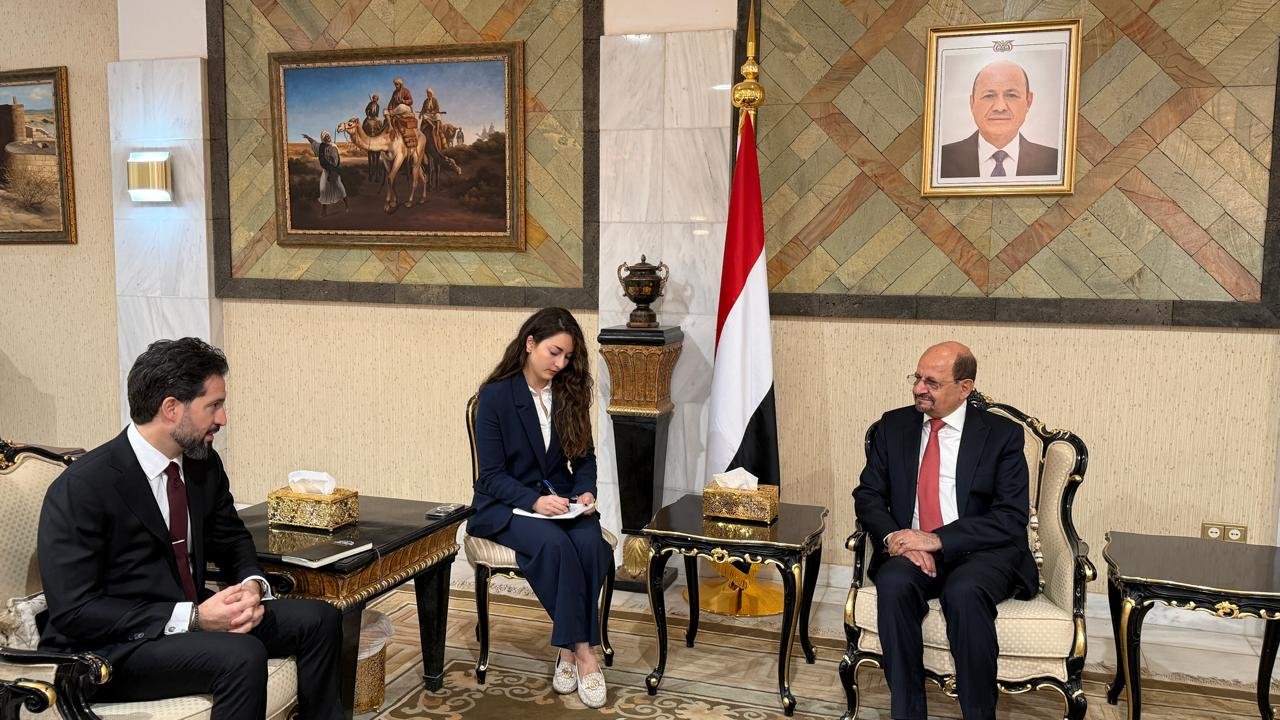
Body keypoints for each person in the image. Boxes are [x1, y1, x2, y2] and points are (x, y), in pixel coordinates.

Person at [37, 338, 344, 719]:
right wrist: (194, 618)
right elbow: (75, 610)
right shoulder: (83, 487)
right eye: (213, 405)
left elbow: (231, 538)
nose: (223, 418)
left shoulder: (201, 464)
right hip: (108, 650)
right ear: (171, 408)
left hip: (191, 620)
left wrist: (251, 585)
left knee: (320, 620)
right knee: (242, 655)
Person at [852, 341, 1037, 720]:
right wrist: (897, 539)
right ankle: (907, 713)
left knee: (964, 592)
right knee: (894, 582)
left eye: (932, 383)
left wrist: (937, 539)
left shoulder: (1002, 435)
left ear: (964, 387)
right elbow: (868, 495)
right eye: (917, 378)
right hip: (912, 549)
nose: (919, 388)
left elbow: (1009, 516)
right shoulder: (894, 426)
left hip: (981, 553)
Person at [467, 307, 610, 709]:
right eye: (554, 352)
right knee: (556, 546)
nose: (560, 364)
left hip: (561, 500)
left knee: (592, 545)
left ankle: (564, 650)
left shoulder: (568, 392)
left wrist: (584, 492)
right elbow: (490, 476)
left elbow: (584, 458)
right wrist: (533, 501)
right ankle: (584, 652)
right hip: (507, 506)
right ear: (530, 344)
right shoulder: (496, 397)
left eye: (567, 356)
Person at [939, 60, 1059, 178]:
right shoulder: (940, 159)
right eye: (989, 96)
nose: (1000, 107)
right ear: (972, 103)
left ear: (1028, 101)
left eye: (1011, 95)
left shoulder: (1055, 162)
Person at [301, 131, 348, 216]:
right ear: (323, 138)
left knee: (340, 187)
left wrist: (332, 159)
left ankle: (347, 206)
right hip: (326, 171)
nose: (328, 137)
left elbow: (336, 161)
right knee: (323, 189)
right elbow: (314, 143)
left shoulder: (333, 146)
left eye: (328, 136)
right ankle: (324, 211)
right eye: (326, 136)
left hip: (334, 171)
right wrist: (308, 137)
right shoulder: (321, 146)